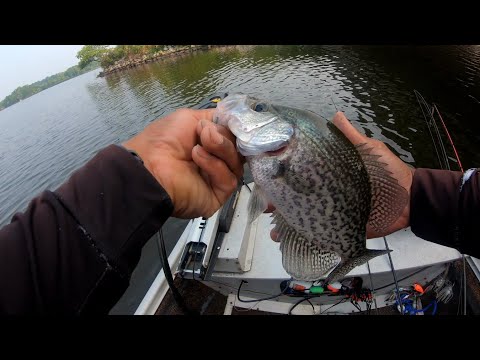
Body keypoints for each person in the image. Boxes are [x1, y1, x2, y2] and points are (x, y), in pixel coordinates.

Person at [0, 108, 477, 314]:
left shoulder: (278, 151)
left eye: (257, 109)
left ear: (280, 128)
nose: (242, 111)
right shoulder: (269, 155)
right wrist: (421, 196)